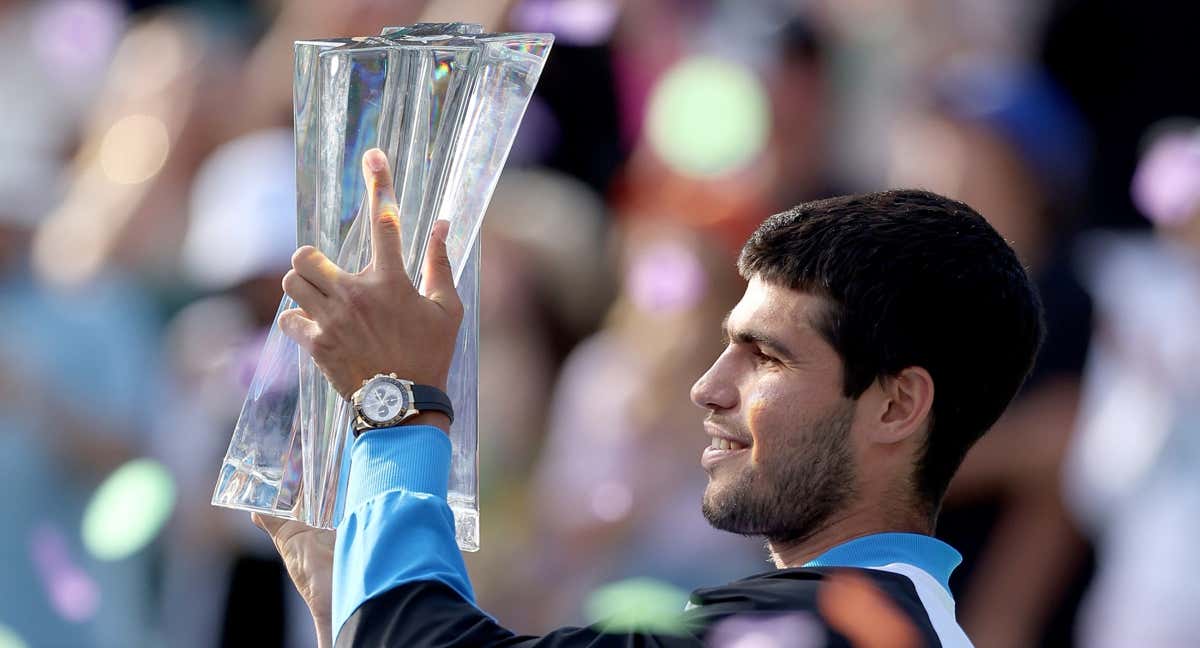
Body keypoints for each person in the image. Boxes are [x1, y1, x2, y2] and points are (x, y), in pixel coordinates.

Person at [253, 148, 1044, 647]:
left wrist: (395, 402)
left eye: (766, 356)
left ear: (898, 406)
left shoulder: (822, 631)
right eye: (726, 342)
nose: (708, 386)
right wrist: (350, 614)